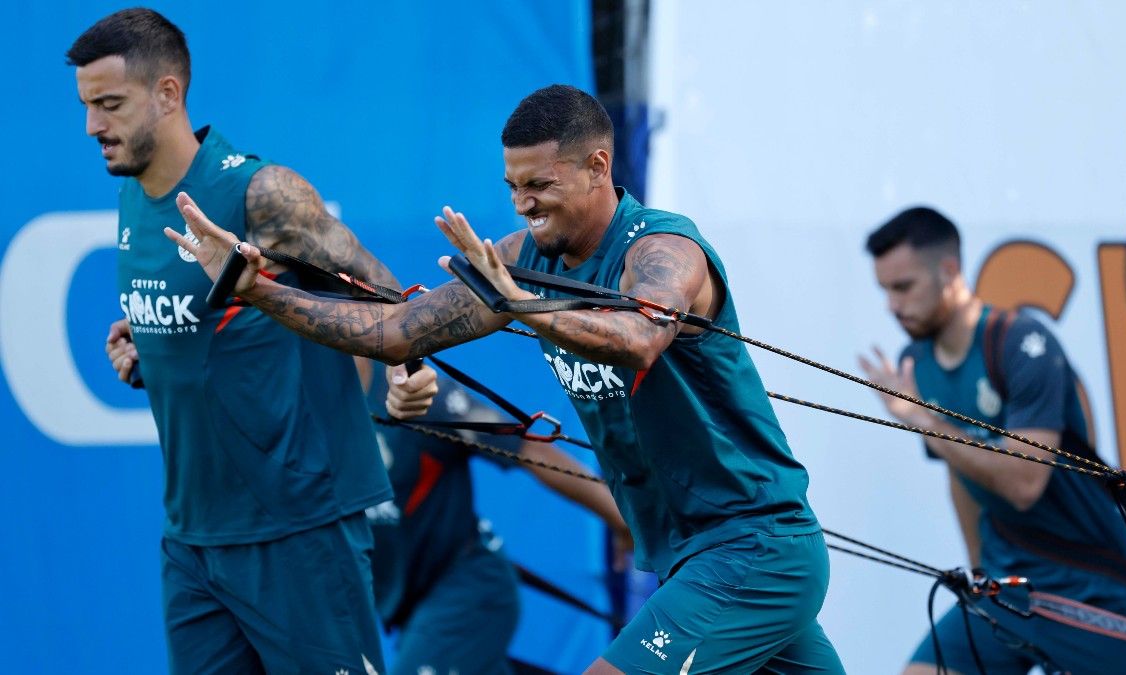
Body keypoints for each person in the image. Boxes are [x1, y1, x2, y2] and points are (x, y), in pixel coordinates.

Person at [169, 84, 846, 674]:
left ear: (598, 167)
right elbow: (399, 331)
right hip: (691, 554)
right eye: (513, 188)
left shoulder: (664, 250)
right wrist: (255, 291)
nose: (523, 205)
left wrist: (522, 305)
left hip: (755, 549)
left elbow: (639, 340)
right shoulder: (523, 260)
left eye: (540, 186)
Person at [74, 9, 395, 673]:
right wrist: (149, 350)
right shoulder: (134, 194)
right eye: (86, 106)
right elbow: (212, 330)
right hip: (191, 542)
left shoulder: (260, 192)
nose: (92, 127)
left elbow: (383, 296)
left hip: (299, 533)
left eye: (109, 105)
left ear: (167, 94)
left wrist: (407, 370)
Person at [858, 207, 1126, 675]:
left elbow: (1024, 483)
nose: (893, 306)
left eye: (903, 287)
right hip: (1009, 585)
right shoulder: (915, 361)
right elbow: (960, 473)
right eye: (885, 291)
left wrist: (924, 421)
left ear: (950, 271)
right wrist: (979, 574)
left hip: (1095, 593)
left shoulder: (1023, 344)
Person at [362, 360, 632, 674]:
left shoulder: (413, 393)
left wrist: (623, 518)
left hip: (466, 588)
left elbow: (530, 450)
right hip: (407, 610)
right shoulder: (307, 415)